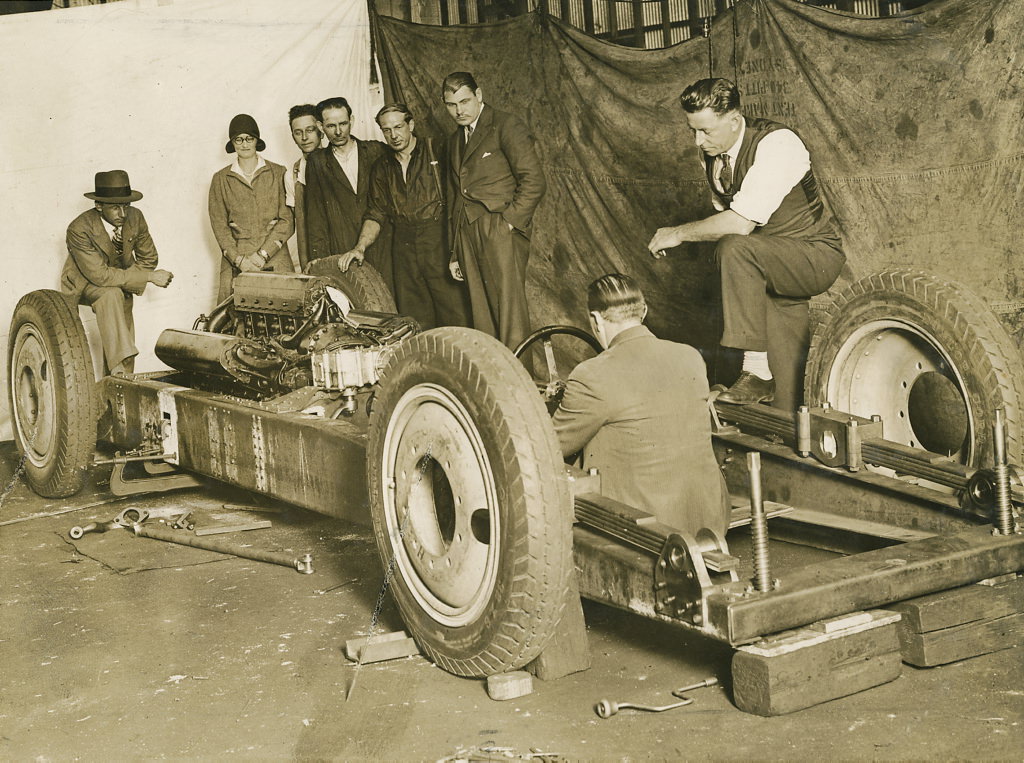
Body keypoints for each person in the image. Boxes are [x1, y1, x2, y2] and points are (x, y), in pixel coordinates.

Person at [647, 77, 845, 409]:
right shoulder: (712, 155)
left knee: (732, 247)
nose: (698, 140)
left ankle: (755, 370)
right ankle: (771, 400)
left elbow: (739, 224)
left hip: (814, 253)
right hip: (766, 262)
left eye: (706, 131)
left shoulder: (778, 144)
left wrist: (677, 233)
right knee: (785, 398)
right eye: (692, 130)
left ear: (735, 121)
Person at [551, 274, 729, 538]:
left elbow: (549, 446)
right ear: (643, 311)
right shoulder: (690, 356)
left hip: (645, 529)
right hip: (709, 520)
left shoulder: (592, 374)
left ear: (597, 319)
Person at [339, 104, 469, 330]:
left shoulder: (437, 150)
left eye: (398, 127)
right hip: (404, 248)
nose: (394, 135)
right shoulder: (382, 167)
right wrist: (360, 247)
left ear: (411, 125)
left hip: (439, 242)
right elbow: (376, 212)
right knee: (416, 320)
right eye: (386, 130)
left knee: (456, 314)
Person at [442, 71, 546, 350]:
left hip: (499, 228)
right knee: (482, 316)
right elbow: (457, 198)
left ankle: (520, 384)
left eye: (464, 101)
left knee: (510, 316)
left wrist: (509, 223)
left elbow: (534, 180)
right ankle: (495, 384)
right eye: (451, 105)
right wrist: (454, 252)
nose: (459, 110)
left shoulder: (506, 125)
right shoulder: (454, 140)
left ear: (479, 96)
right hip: (467, 232)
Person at [61, 170, 174, 376]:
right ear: (98, 206)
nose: (122, 214)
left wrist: (130, 279)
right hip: (84, 282)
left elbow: (149, 258)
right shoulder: (78, 228)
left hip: (120, 283)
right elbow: (100, 276)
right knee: (111, 294)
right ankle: (118, 373)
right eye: (115, 207)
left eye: (126, 206)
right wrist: (147, 277)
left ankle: (121, 381)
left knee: (122, 333)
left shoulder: (135, 217)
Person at [304, 96, 392, 291]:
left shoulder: (377, 150)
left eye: (343, 123)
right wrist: (320, 260)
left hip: (384, 246)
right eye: (331, 126)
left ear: (351, 120)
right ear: (320, 126)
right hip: (343, 250)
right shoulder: (317, 162)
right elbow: (316, 214)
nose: (338, 131)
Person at [208, 113, 294, 302]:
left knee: (286, 314)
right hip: (238, 261)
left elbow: (287, 220)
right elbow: (219, 226)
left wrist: (263, 255)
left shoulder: (278, 172)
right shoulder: (221, 179)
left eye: (249, 138)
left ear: (257, 141)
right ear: (232, 143)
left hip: (275, 258)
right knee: (235, 319)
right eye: (238, 140)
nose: (244, 144)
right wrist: (239, 260)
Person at [284, 103, 322, 271]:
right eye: (298, 132)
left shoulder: (340, 163)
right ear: (292, 136)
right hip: (312, 255)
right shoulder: (292, 174)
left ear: (320, 129)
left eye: (310, 130)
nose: (305, 137)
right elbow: (299, 222)